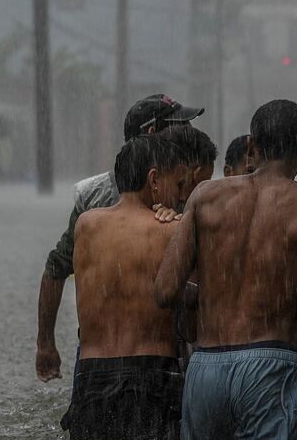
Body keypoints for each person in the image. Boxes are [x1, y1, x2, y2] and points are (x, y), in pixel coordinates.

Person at [153, 99, 297, 440]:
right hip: (270, 366)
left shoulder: (204, 196)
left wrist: (217, 293)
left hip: (206, 369)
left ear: (251, 146)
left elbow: (166, 290)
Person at [36, 94, 203, 383]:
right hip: (147, 364)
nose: (188, 136)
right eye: (180, 128)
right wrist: (45, 344)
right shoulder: (97, 198)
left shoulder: (191, 184)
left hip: (109, 364)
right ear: (153, 134)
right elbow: (56, 269)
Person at [60, 136, 198, 440]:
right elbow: (199, 299)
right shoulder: (170, 230)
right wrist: (182, 224)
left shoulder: (86, 226)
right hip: (151, 376)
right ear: (153, 180)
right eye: (176, 185)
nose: (180, 196)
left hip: (91, 376)